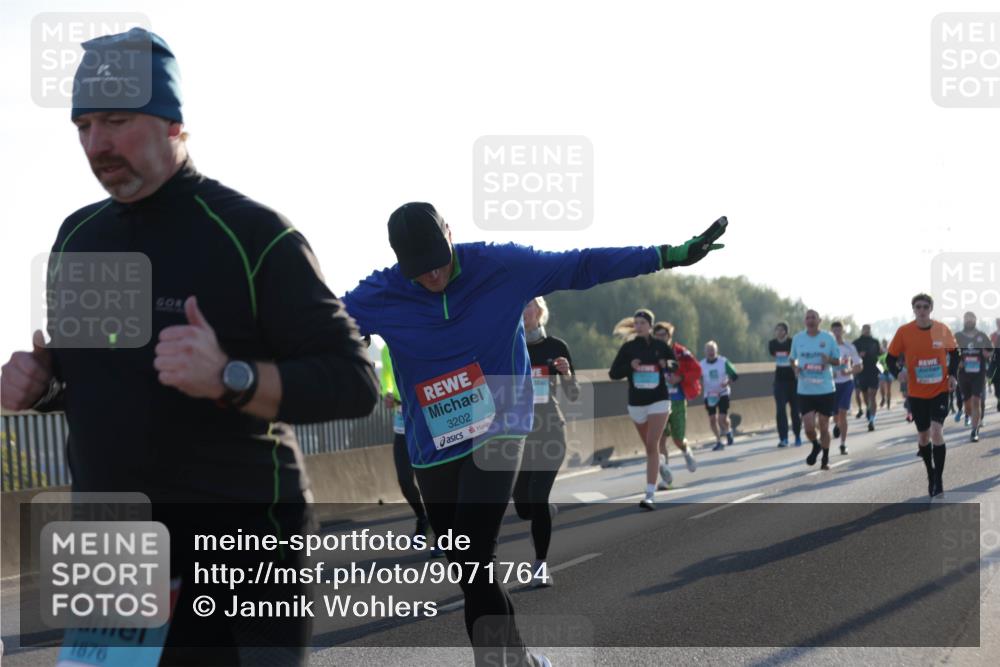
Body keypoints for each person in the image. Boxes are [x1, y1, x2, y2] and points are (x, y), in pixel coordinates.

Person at [0, 29, 380, 666]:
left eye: (117, 121)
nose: (97, 145)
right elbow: (106, 378)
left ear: (173, 122)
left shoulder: (251, 235)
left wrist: (230, 377)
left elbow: (353, 381)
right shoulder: (80, 238)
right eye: (84, 125)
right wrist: (46, 388)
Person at [341, 202, 727, 665]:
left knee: (473, 550)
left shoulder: (500, 265)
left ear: (450, 232)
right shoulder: (379, 293)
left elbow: (582, 264)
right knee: (469, 569)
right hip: (433, 445)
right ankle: (520, 659)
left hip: (500, 427)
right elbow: (311, 325)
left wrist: (666, 255)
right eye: (420, 271)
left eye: (439, 261)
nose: (434, 277)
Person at [513, 296, 579, 587]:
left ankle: (541, 565)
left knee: (537, 499)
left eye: (527, 305)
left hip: (550, 430)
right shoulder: (509, 346)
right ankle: (544, 512)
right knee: (524, 507)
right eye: (520, 306)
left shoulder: (556, 347)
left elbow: (574, 394)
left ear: (539, 311)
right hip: (518, 435)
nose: (523, 311)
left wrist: (566, 374)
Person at [886, 294, 958, 497]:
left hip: (940, 390)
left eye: (925, 306)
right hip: (916, 393)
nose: (922, 310)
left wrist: (952, 374)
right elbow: (890, 359)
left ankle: (939, 480)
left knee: (937, 432)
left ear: (931, 308)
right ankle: (930, 473)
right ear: (913, 309)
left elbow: (955, 353)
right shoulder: (904, 332)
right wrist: (897, 373)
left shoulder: (941, 329)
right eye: (918, 307)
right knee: (924, 437)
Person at [610, 310, 677, 509]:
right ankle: (662, 464)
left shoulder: (660, 346)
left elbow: (675, 365)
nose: (638, 326)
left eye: (642, 323)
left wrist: (667, 364)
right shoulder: (628, 348)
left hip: (659, 400)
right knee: (651, 448)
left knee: (651, 444)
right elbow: (613, 373)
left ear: (650, 325)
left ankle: (649, 494)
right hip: (637, 403)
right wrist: (630, 366)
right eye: (636, 323)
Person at [381, 344, 434, 544]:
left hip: (427, 421)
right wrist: (386, 394)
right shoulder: (386, 349)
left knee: (433, 480)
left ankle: (442, 532)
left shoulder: (418, 338)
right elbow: (386, 380)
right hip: (402, 422)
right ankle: (423, 517)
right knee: (404, 479)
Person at [790, 310, 841, 471]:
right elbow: (792, 359)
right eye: (807, 318)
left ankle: (825, 458)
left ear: (819, 320)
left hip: (825, 389)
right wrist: (795, 368)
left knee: (824, 425)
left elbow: (838, 361)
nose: (810, 320)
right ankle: (816, 445)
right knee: (809, 427)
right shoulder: (798, 339)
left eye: (813, 318)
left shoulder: (828, 338)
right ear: (804, 321)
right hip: (805, 390)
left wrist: (829, 360)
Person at [652, 321, 700, 486]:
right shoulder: (651, 353)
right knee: (660, 439)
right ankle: (666, 476)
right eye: (656, 336)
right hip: (659, 402)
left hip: (678, 401)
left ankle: (686, 451)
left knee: (678, 439)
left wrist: (680, 377)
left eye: (663, 336)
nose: (659, 338)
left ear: (669, 337)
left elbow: (697, 370)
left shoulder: (680, 352)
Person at [954, 312, 994, 442]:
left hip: (978, 373)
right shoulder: (957, 336)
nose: (969, 321)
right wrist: (958, 361)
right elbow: (951, 352)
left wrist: (987, 353)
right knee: (967, 405)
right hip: (963, 374)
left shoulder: (982, 335)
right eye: (967, 319)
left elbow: (990, 350)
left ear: (975, 321)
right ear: (964, 321)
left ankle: (974, 430)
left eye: (972, 319)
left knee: (976, 400)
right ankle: (971, 417)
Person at [701, 341, 739, 451]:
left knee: (722, 419)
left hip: (723, 393)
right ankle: (718, 441)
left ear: (716, 351)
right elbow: (695, 377)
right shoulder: (701, 364)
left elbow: (734, 375)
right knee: (712, 420)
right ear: (705, 352)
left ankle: (728, 431)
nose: (711, 352)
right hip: (709, 395)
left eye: (712, 350)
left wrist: (727, 381)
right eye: (708, 350)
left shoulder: (723, 362)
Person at [831, 322, 863, 454]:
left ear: (843, 331)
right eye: (835, 330)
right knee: (835, 415)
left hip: (846, 383)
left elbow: (859, 366)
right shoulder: (828, 347)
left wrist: (849, 371)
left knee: (843, 412)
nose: (837, 332)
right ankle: (837, 425)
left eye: (839, 330)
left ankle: (843, 444)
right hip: (831, 385)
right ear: (831, 331)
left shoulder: (849, 347)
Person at [769, 322, 802, 447]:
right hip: (779, 380)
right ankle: (783, 438)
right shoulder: (772, 344)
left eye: (781, 330)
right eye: (777, 330)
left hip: (793, 380)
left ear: (786, 332)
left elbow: (795, 355)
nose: (779, 332)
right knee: (780, 410)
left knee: (795, 411)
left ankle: (797, 436)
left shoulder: (792, 342)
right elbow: (774, 353)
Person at [852, 324, 882, 431]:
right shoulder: (856, 343)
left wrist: (881, 371)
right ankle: (868, 409)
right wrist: (858, 356)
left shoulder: (875, 342)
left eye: (868, 329)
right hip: (861, 372)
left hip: (873, 372)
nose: (867, 331)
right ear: (862, 330)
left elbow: (881, 357)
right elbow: (851, 357)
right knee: (865, 395)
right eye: (865, 329)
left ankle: (872, 420)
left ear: (870, 330)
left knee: (872, 395)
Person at [878, 340, 893, 409]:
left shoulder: (890, 350)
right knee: (881, 387)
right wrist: (882, 370)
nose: (885, 344)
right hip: (882, 372)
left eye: (885, 343)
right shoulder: (879, 352)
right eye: (883, 343)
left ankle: (888, 402)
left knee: (889, 389)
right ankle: (883, 398)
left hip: (889, 372)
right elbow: (878, 363)